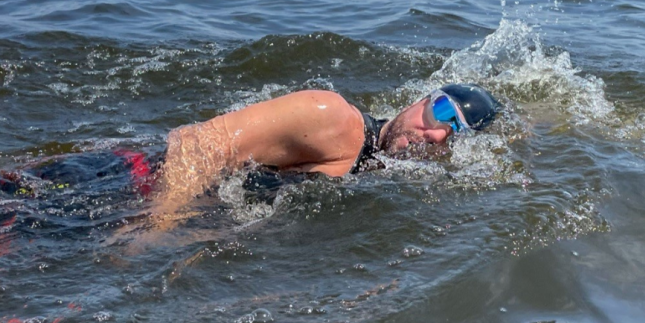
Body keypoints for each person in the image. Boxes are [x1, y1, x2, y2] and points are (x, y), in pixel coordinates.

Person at [125, 83, 502, 239]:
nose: (437, 133)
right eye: (440, 112)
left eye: (455, 132)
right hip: (125, 188)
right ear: (421, 99)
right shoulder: (335, 121)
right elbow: (198, 144)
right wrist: (156, 226)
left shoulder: (378, 169)